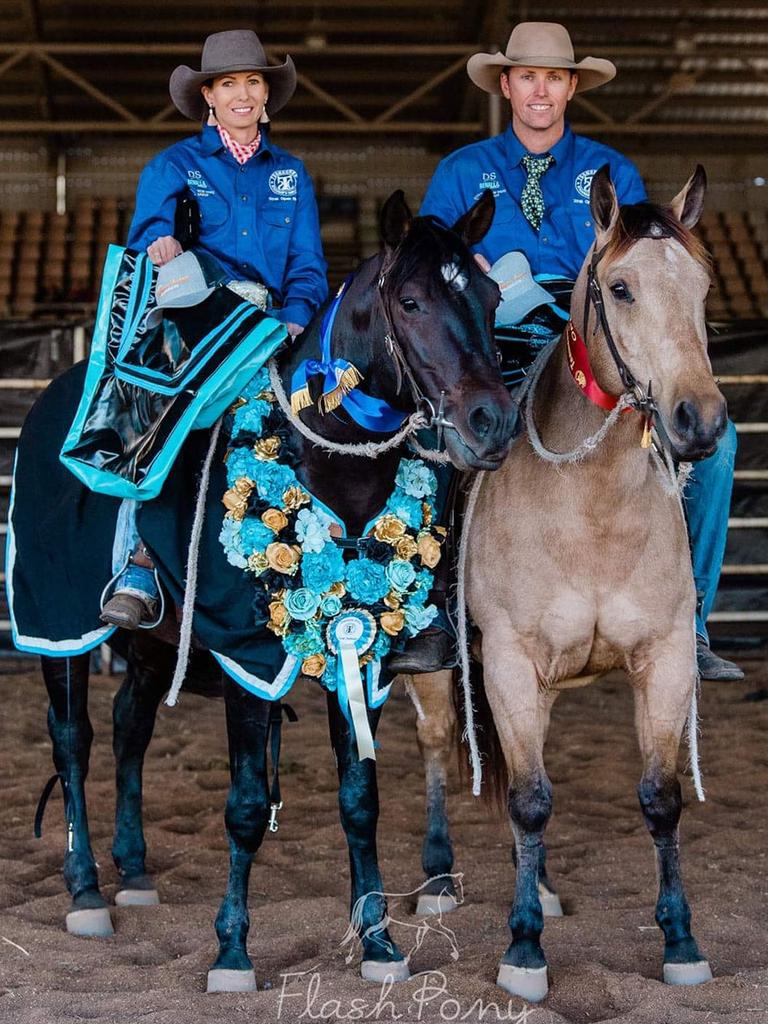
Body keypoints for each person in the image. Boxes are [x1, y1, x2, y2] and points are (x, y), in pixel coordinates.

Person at [401, 21, 742, 681]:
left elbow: (636, 269)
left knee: (719, 448)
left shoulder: (612, 171)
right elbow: (429, 263)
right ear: (506, 85)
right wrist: (465, 262)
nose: (539, 90)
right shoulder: (461, 171)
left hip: (596, 341)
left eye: (553, 77)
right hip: (495, 335)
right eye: (527, 76)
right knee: (428, 434)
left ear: (571, 87)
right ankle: (433, 608)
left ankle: (690, 621)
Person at [100, 29, 328, 629]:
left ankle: (319, 560)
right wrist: (162, 242)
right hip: (200, 324)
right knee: (156, 419)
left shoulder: (293, 175)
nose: (243, 94)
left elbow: (307, 265)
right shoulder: (174, 165)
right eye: (229, 84)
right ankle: (139, 562)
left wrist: (296, 317)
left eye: (253, 82)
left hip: (274, 329)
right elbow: (148, 234)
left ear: (266, 95)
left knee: (332, 415)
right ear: (209, 96)